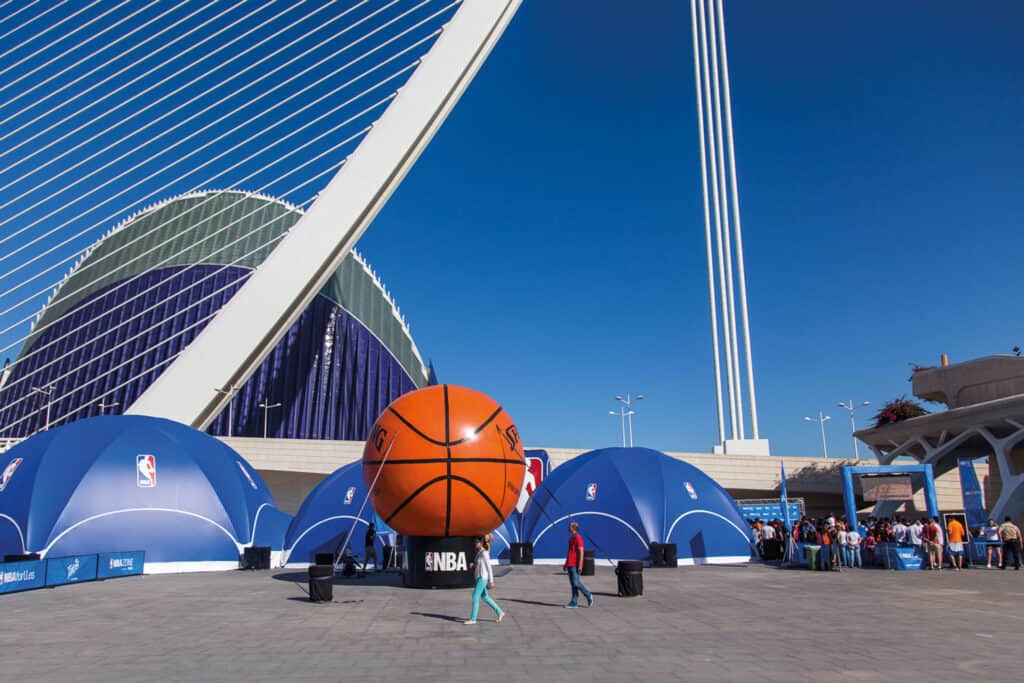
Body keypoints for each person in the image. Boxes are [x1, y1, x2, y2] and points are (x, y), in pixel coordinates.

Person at [464, 536, 504, 625]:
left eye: (476, 543)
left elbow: (489, 567)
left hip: (483, 578)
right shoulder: (479, 553)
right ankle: (500, 612)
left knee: (475, 596)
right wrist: (473, 565)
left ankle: (473, 619)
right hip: (479, 577)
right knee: (485, 597)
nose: (475, 544)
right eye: (475, 542)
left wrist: (491, 581)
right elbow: (478, 565)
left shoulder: (484, 553)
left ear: (481, 543)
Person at [564, 521, 593, 608]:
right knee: (573, 584)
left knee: (576, 583)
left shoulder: (578, 538)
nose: (568, 527)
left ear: (573, 528)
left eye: (569, 526)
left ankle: (588, 595)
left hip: (575, 564)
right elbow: (569, 552)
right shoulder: (571, 538)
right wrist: (566, 563)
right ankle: (574, 601)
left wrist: (580, 565)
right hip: (570, 563)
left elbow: (581, 551)